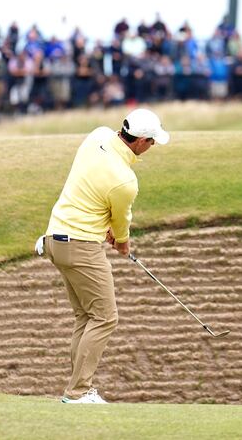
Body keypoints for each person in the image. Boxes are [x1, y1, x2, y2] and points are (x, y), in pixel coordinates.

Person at [38, 108, 169, 404]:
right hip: (81, 246)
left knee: (85, 317)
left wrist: (107, 228)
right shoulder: (125, 180)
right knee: (106, 318)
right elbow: (120, 222)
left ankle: (78, 389)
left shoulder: (96, 135)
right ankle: (78, 392)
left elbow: (91, 193)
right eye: (151, 142)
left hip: (54, 239)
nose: (152, 148)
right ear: (139, 141)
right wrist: (122, 242)